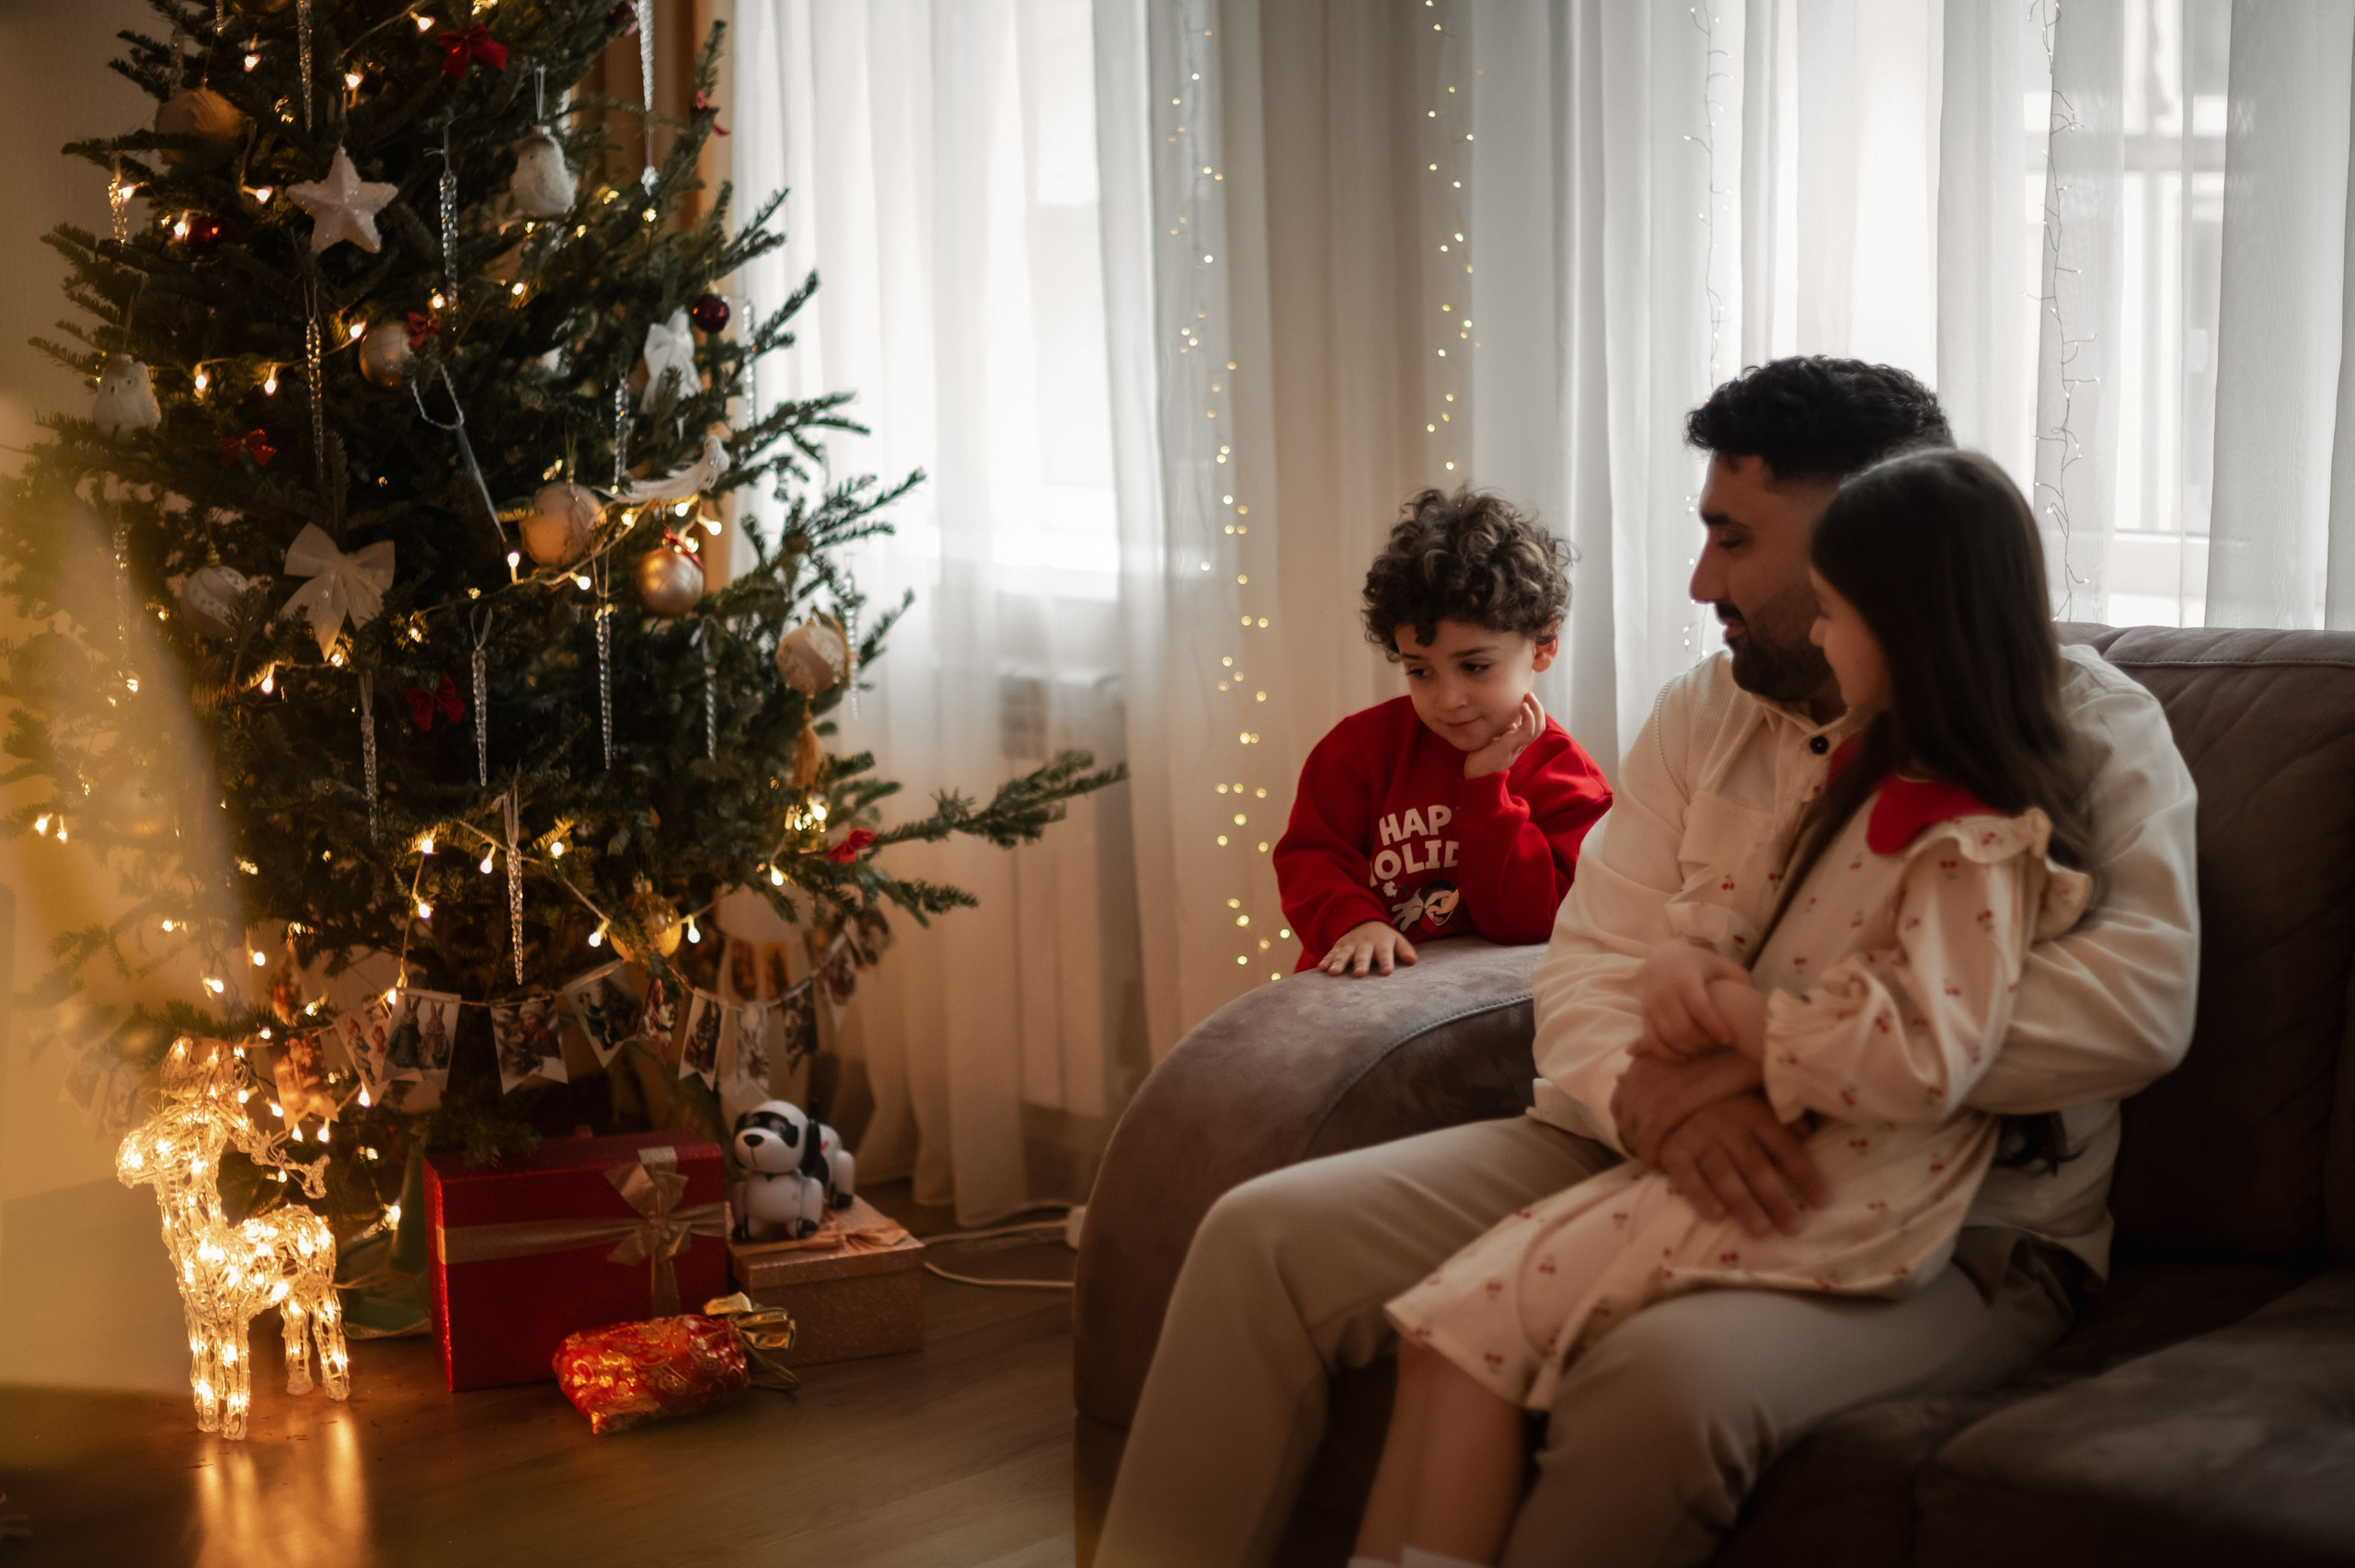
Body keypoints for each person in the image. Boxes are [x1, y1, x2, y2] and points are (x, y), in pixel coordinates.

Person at [1093, 358, 2200, 1568]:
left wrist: (1755, 1061)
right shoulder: (1704, 713)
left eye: (1735, 540)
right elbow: (1589, 962)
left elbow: (2137, 1009)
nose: (1701, 581)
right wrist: (1647, 1103)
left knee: (1656, 1384)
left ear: (1875, 541)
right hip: (1619, 1144)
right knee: (1261, 1237)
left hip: (1948, 1217)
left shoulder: (2080, 723)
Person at [1358, 448, 2095, 1567]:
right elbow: (1717, 931)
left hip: (1844, 1190)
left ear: (1912, 628)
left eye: (1838, 615)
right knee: (1440, 1327)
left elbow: (1927, 1050)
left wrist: (1745, 1026)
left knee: (1471, 1330)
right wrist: (1676, 979)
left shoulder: (1974, 839)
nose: (1820, 638)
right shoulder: (1854, 776)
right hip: (1778, 1151)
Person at [1275, 488, 1613, 978]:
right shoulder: (1357, 752)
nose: (1447, 700)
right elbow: (1311, 857)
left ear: (1543, 646)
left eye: (1474, 666)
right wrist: (1354, 922)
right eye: (1420, 671)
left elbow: (1530, 925)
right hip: (1354, 999)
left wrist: (1485, 792)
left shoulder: (1569, 780)